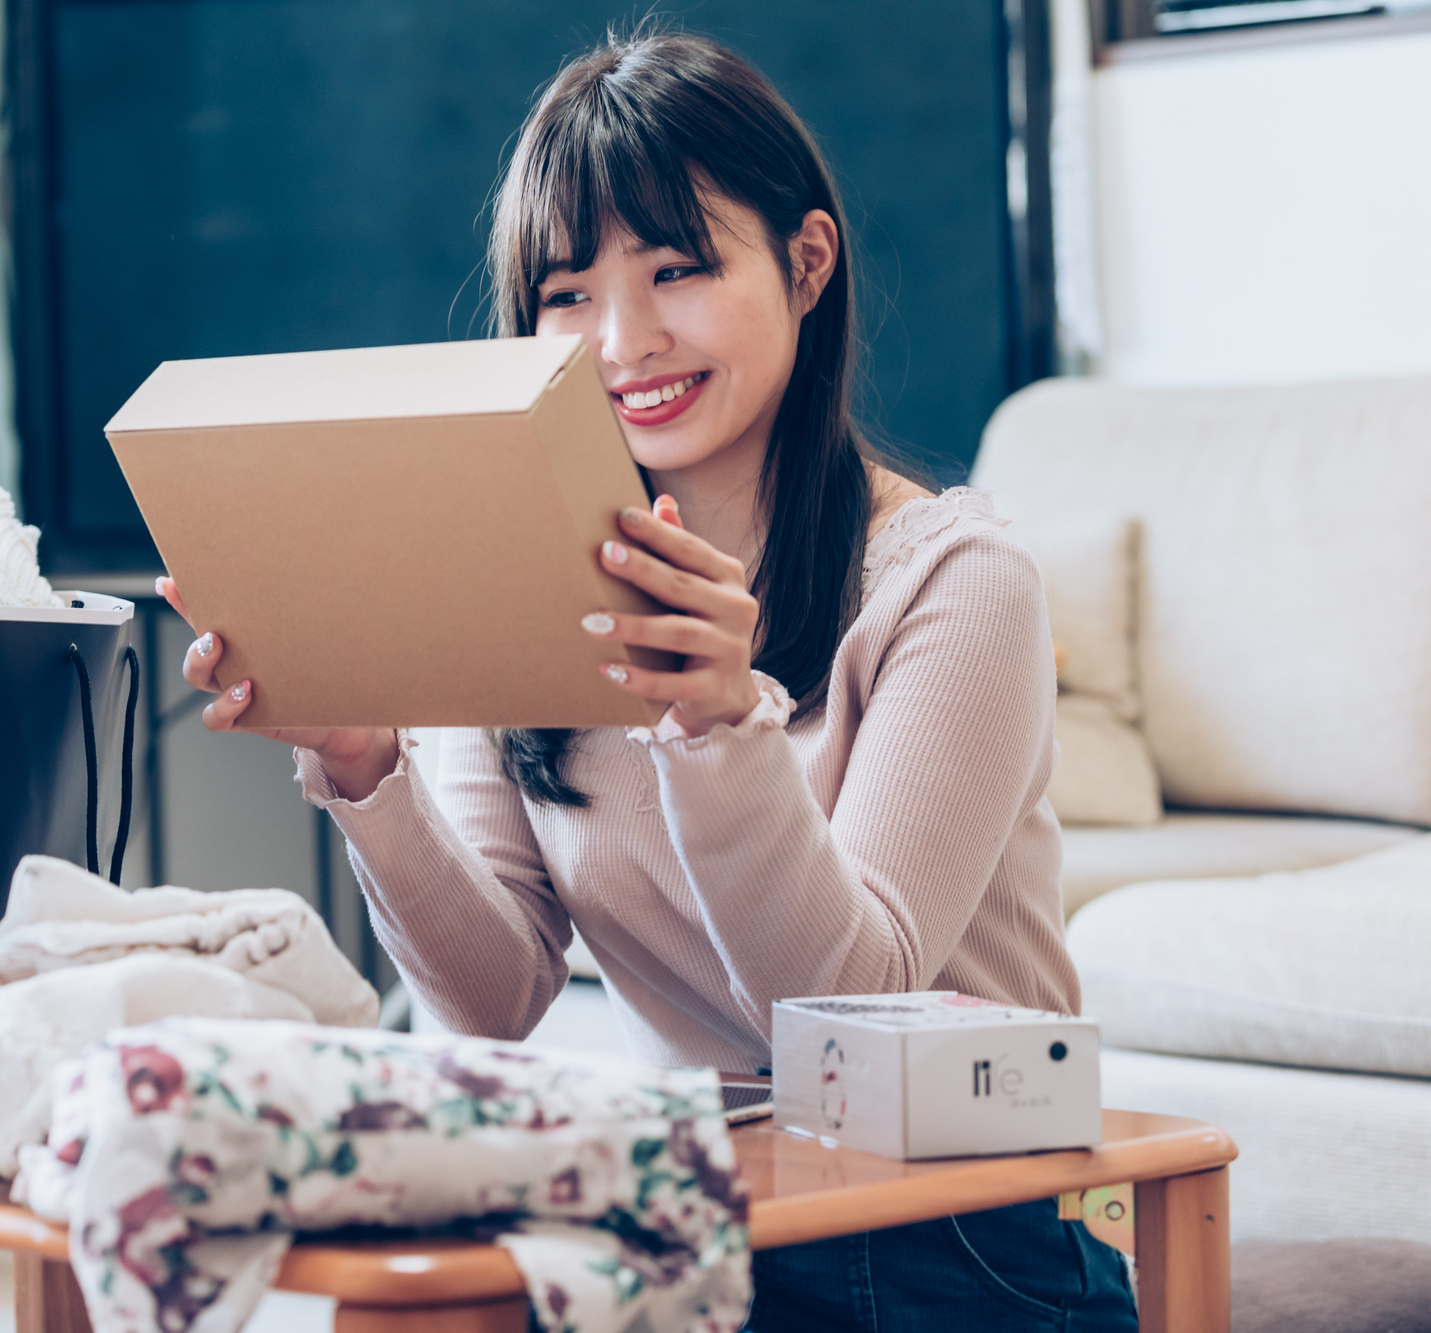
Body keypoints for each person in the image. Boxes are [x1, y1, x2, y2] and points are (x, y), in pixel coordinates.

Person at [155, 27, 1134, 1333]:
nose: (622, 339)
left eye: (679, 268)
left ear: (805, 264)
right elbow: (496, 1002)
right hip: (688, 1210)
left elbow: (845, 1010)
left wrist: (719, 722)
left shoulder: (956, 582)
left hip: (957, 1231)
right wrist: (366, 771)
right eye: (567, 295)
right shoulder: (504, 574)